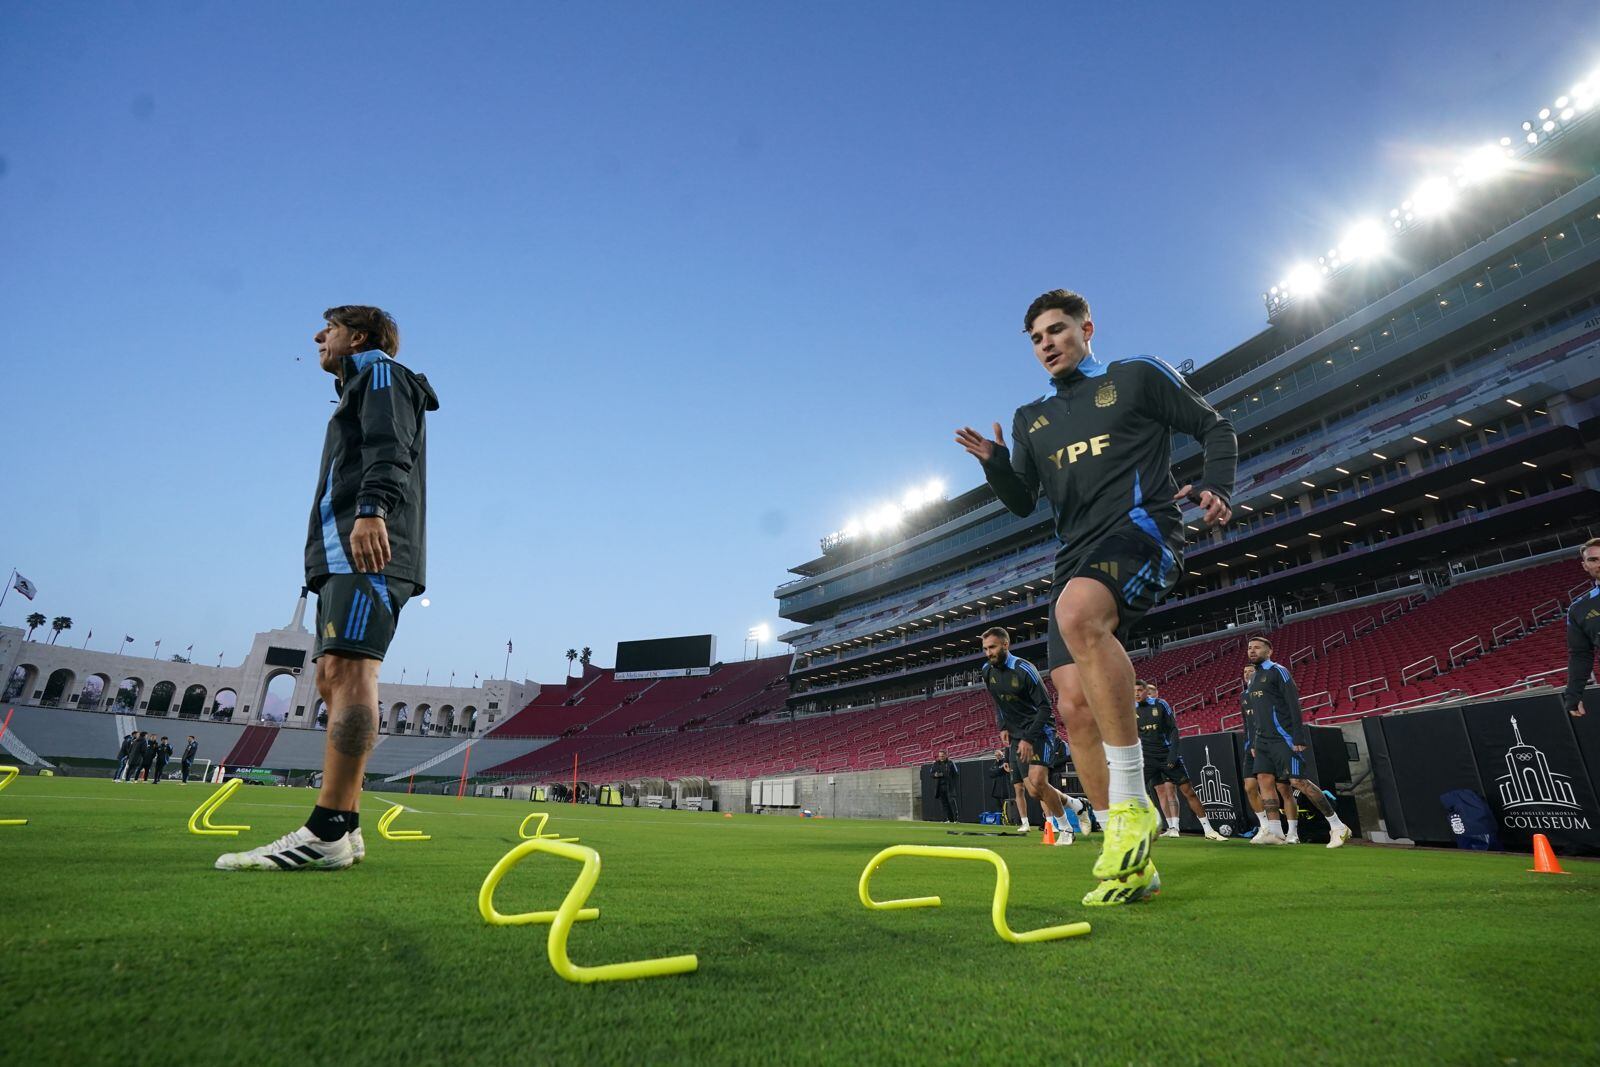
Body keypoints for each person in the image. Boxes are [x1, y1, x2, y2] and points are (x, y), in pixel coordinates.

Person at [957, 289, 1236, 904]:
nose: (1046, 344)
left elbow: (1214, 425)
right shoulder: (1032, 419)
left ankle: (1135, 804)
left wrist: (1217, 484)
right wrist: (996, 462)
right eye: (1035, 338)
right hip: (1073, 556)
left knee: (1078, 613)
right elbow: (1023, 500)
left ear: (1086, 328)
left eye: (1056, 330)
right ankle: (1127, 855)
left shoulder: (1135, 376)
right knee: (1075, 705)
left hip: (1145, 532)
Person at [218, 305, 439, 872]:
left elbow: (391, 445)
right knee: (330, 675)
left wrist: (371, 511)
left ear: (359, 337)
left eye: (330, 329)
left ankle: (327, 829)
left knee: (350, 672)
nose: (318, 337)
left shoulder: (381, 372)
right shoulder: (359, 384)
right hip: (343, 548)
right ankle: (349, 824)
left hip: (366, 543)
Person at [978, 626, 1086, 845]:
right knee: (1035, 791)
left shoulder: (1024, 669)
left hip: (1040, 731)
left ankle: (1065, 829)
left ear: (1005, 644)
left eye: (992, 647)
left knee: (1038, 780)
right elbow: (998, 702)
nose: (988, 653)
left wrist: (1028, 738)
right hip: (1017, 734)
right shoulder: (987, 671)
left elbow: (1045, 707)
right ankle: (1077, 805)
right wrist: (1002, 726)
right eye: (985, 649)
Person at [1244, 637, 1351, 848]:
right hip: (1262, 741)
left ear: (1269, 650)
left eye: (1257, 648)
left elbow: (1293, 704)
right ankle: (1274, 831)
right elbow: (1256, 715)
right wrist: (1256, 742)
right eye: (1249, 648)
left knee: (1297, 782)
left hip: (1282, 738)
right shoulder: (1254, 678)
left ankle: (1338, 826)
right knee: (1265, 780)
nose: (1252, 651)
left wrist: (1298, 736)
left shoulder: (1278, 671)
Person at [1136, 681, 1224, 840]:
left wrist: (1172, 755)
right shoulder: (1130, 710)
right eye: (1134, 691)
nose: (1136, 693)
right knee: (1134, 793)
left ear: (1145, 691)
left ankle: (1209, 830)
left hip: (1166, 755)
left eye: (1140, 690)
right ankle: (1139, 829)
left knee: (1188, 791)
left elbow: (1173, 730)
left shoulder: (1160, 704)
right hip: (1147, 758)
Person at [1561, 537, 1600, 718]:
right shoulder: (1578, 609)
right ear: (1585, 566)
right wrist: (1573, 695)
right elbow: (1580, 654)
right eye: (1593, 559)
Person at [930, 750, 960, 822]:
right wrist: (935, 775)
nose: (941, 757)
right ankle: (949, 819)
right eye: (940, 756)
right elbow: (931, 773)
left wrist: (950, 780)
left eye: (942, 756)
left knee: (951, 802)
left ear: (946, 755)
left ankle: (956, 819)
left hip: (949, 786)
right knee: (944, 804)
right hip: (940, 787)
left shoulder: (950, 763)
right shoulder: (935, 763)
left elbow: (956, 774)